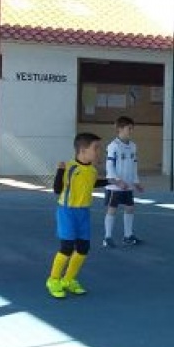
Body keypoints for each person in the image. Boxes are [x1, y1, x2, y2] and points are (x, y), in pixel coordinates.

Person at [46, 133, 106, 299]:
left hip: (83, 213)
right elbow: (57, 189)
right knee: (66, 248)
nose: (98, 152)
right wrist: (59, 170)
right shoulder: (70, 168)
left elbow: (92, 182)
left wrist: (111, 181)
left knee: (83, 248)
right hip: (67, 212)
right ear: (82, 150)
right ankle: (53, 279)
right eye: (96, 148)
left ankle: (68, 280)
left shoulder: (92, 170)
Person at [103, 115, 144, 248]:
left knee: (130, 208)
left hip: (128, 185)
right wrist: (117, 181)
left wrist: (136, 181)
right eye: (129, 128)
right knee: (112, 210)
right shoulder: (113, 146)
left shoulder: (133, 146)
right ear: (120, 129)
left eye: (132, 129)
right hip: (115, 186)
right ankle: (107, 237)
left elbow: (134, 165)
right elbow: (109, 166)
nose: (131, 131)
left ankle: (128, 236)